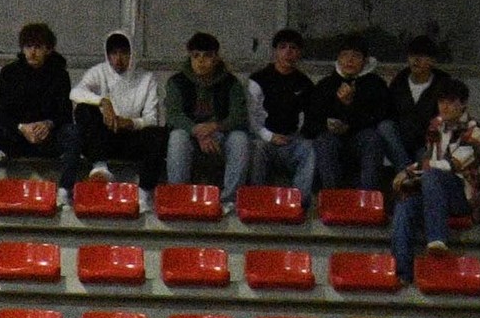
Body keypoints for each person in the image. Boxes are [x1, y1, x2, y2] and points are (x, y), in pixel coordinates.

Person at [390, 78, 480, 284]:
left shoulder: (474, 130)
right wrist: (413, 173)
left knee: (434, 175)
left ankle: (437, 237)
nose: (445, 106)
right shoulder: (435, 126)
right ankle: (402, 273)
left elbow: (453, 165)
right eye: (441, 101)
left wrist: (409, 171)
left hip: (463, 195)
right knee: (404, 207)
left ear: (463, 104)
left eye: (451, 102)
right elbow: (430, 160)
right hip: (435, 192)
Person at [0, 22, 81, 209]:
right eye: (28, 47)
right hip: (17, 138)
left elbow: (65, 114)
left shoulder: (60, 74)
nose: (32, 52)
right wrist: (21, 127)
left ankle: (65, 190)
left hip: (48, 140)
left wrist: (48, 124)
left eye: (38, 47)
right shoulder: (9, 73)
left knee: (73, 133)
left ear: (48, 50)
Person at [70, 30, 166, 213]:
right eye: (114, 53)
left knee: (158, 134)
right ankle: (99, 166)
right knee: (84, 110)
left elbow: (151, 119)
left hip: (131, 138)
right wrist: (103, 102)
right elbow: (75, 93)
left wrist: (129, 123)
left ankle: (145, 192)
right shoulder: (98, 72)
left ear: (132, 54)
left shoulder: (147, 79)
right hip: (103, 137)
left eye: (124, 53)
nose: (118, 58)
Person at [164, 31, 251, 212]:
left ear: (216, 58)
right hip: (190, 134)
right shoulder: (177, 82)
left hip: (219, 135)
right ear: (190, 57)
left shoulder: (231, 83)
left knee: (240, 139)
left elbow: (239, 116)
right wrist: (197, 130)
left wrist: (215, 126)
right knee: (177, 136)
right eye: (196, 56)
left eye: (207, 56)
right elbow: (173, 115)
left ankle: (229, 200)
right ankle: (179, 196)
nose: (201, 61)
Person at [303, 34, 390, 192]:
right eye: (345, 55)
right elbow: (310, 124)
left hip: (360, 140)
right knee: (324, 141)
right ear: (338, 59)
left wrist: (350, 110)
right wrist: (329, 124)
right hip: (332, 140)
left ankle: (367, 198)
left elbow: (380, 117)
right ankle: (333, 198)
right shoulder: (325, 85)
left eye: (356, 56)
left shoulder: (375, 85)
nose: (350, 61)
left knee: (373, 138)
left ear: (364, 60)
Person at [247, 27, 317, 205]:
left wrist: (295, 137)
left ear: (299, 53)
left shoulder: (305, 83)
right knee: (257, 147)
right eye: (283, 47)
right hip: (265, 139)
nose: (288, 52)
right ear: (275, 51)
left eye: (293, 48)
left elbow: (310, 117)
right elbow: (251, 116)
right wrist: (269, 137)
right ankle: (257, 201)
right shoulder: (258, 80)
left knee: (309, 148)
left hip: (291, 140)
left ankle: (298, 203)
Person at [382, 34, 453, 170]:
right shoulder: (400, 81)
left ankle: (410, 176)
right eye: (412, 55)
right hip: (401, 141)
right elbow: (388, 112)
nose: (416, 60)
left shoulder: (443, 84)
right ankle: (406, 171)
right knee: (384, 127)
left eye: (422, 56)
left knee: (429, 168)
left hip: (427, 143)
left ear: (432, 61)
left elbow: (446, 118)